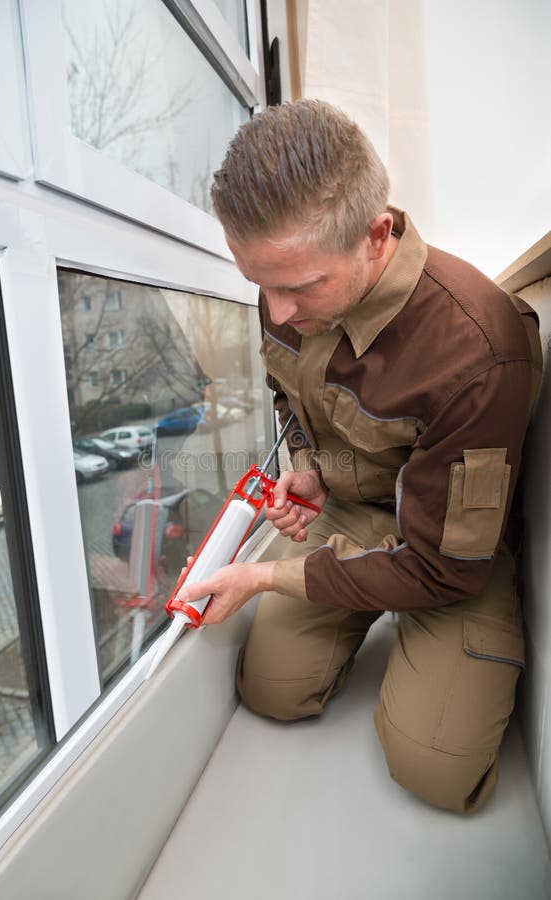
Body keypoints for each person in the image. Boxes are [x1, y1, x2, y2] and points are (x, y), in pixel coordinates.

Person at [177, 99, 542, 814]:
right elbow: (294, 397)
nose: (277, 310)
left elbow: (444, 565)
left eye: (301, 286)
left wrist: (262, 575)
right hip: (353, 511)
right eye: (261, 283)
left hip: (438, 553)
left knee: (433, 770)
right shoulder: (288, 282)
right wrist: (309, 471)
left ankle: (420, 643)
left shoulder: (476, 349)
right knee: (271, 693)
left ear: (376, 235)